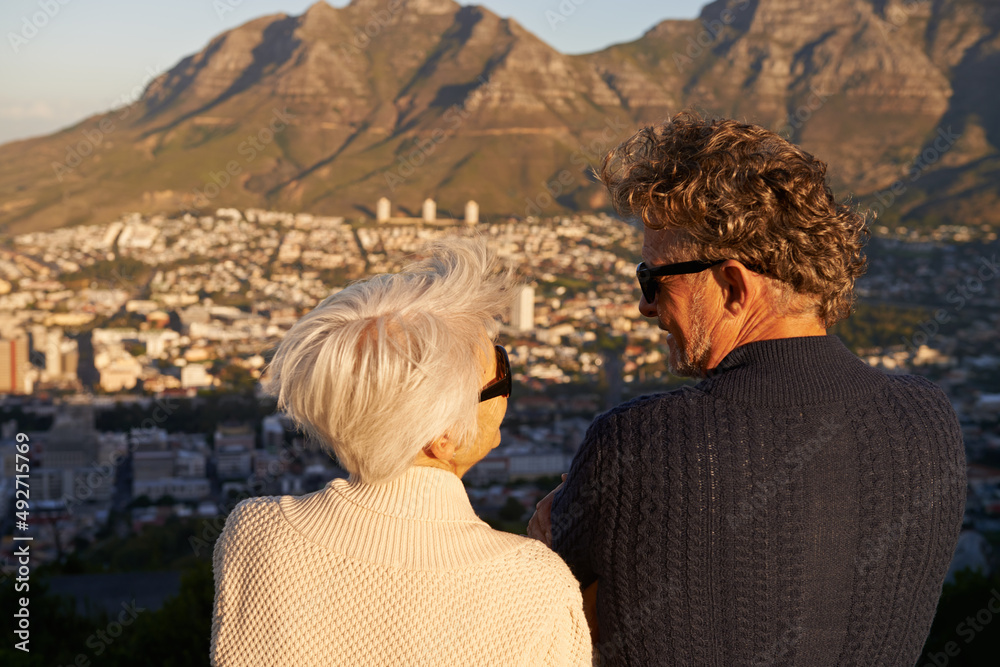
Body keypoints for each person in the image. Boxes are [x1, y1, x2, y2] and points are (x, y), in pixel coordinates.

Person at [529, 113, 966, 666]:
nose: (644, 305)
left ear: (733, 284)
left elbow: (543, 614)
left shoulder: (637, 442)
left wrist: (545, 550)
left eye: (653, 278)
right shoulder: (928, 419)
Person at [211, 238, 593, 666]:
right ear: (443, 435)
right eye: (499, 375)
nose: (507, 392)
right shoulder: (536, 586)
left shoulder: (256, 534)